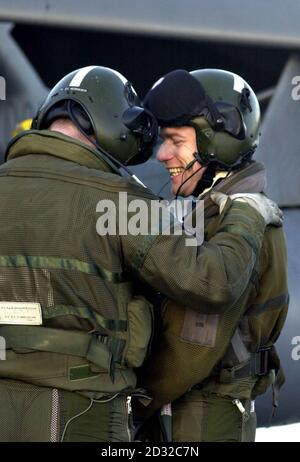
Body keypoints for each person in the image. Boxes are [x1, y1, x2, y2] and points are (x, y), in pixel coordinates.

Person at [0, 66, 281, 442]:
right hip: (84, 415)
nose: (162, 156)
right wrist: (247, 211)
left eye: (175, 141)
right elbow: (214, 281)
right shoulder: (121, 202)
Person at [137, 69, 289, 442]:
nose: (162, 154)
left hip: (201, 418)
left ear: (214, 142)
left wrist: (132, 403)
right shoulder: (227, 210)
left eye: (175, 141)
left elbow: (193, 348)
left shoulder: (236, 221)